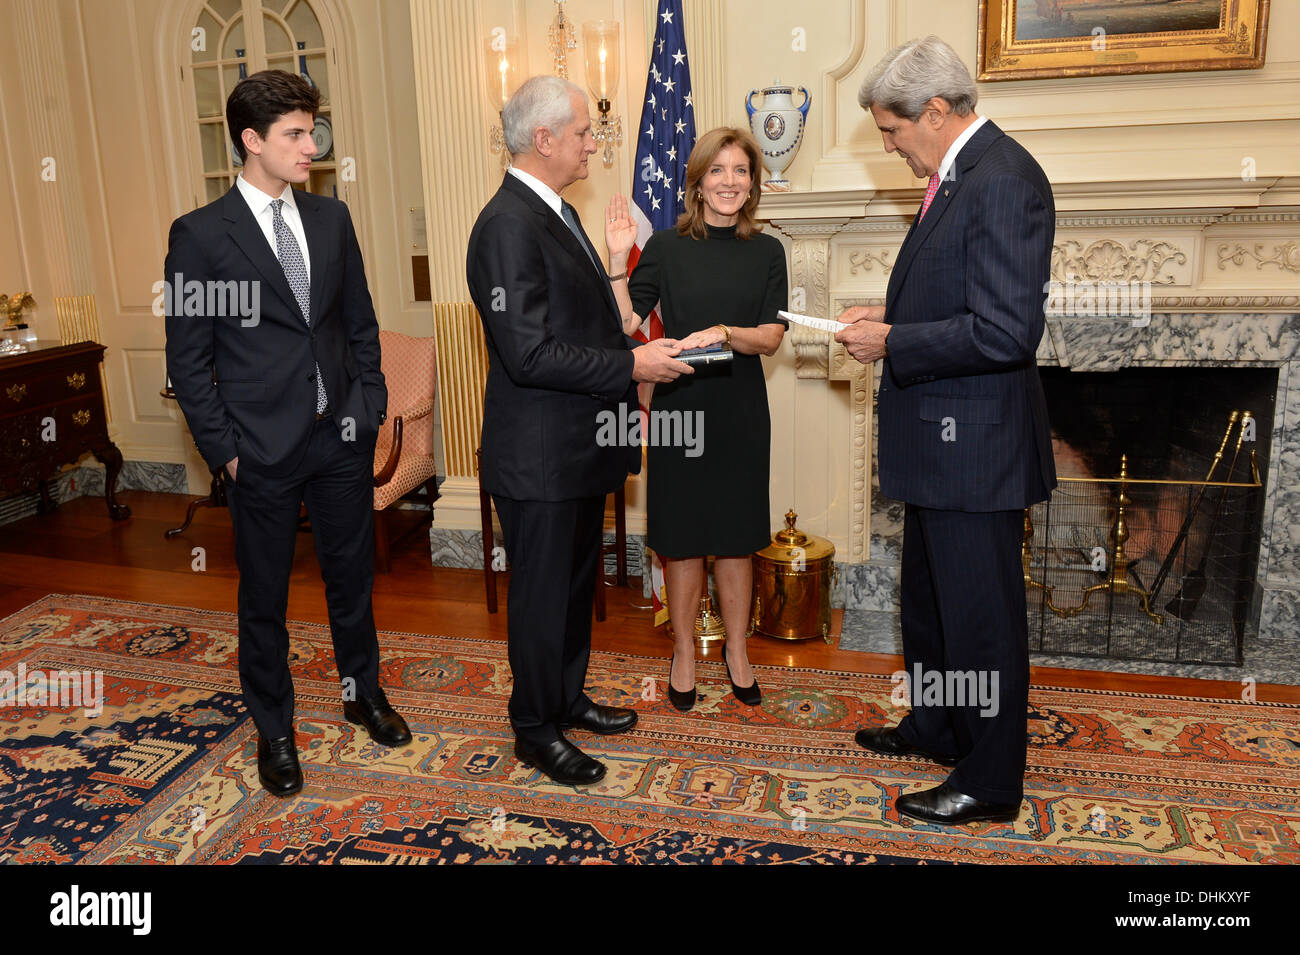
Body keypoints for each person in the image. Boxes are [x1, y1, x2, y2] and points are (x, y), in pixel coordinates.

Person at [164, 70, 411, 798]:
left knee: (351, 577)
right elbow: (188, 358)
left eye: (312, 130)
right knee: (263, 594)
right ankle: (274, 726)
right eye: (295, 135)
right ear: (252, 141)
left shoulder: (333, 220)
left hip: (339, 437)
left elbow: (359, 324)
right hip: (259, 451)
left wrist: (366, 407)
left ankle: (361, 690)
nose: (312, 146)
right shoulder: (200, 235)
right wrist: (228, 452)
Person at [834, 36, 1056, 825]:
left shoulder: (1001, 181)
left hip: (977, 452)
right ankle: (939, 725)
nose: (889, 147)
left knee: (980, 619)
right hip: (941, 445)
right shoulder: (957, 176)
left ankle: (990, 779)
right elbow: (956, 300)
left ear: (935, 112)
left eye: (892, 131)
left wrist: (892, 341)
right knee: (930, 605)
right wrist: (887, 318)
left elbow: (1004, 332)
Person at [465, 75, 692, 787]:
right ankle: (534, 727)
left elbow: (580, 321)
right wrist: (631, 360)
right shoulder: (505, 225)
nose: (593, 143)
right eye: (584, 133)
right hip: (537, 455)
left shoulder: (554, 211)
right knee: (538, 597)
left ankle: (563, 697)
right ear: (544, 139)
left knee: (570, 587)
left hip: (575, 447)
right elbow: (528, 352)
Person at [606, 127, 787, 712]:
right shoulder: (664, 245)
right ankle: (683, 651)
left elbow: (772, 337)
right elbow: (630, 324)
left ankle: (736, 651)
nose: (729, 182)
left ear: (752, 183)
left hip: (739, 409)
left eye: (740, 171)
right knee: (682, 543)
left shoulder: (768, 251)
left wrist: (728, 331)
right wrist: (615, 259)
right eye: (718, 171)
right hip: (679, 410)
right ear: (698, 182)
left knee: (735, 542)